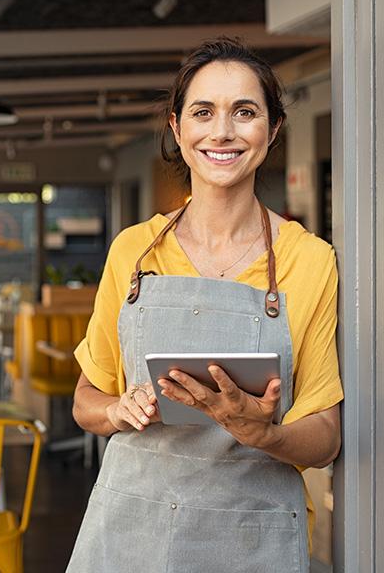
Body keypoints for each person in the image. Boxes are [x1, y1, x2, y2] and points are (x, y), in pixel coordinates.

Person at [67, 38, 343, 573]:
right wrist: (116, 410)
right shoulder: (134, 251)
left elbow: (325, 437)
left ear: (273, 129)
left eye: (245, 112)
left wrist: (264, 432)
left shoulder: (308, 260)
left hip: (250, 536)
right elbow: (86, 398)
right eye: (203, 112)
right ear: (177, 128)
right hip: (132, 529)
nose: (222, 132)